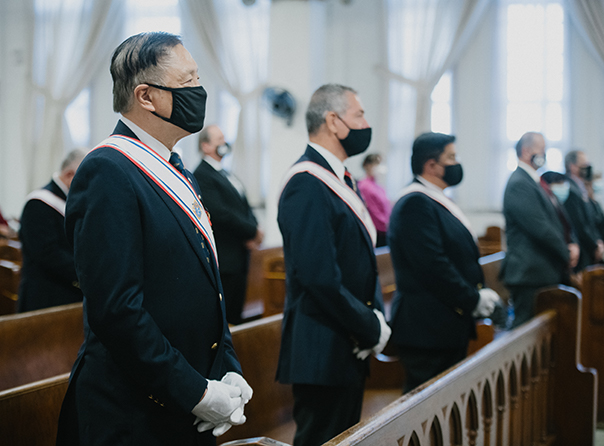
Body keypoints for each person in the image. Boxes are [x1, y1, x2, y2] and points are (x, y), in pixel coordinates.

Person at [56, 32, 251, 446]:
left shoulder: (178, 169)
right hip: (133, 413)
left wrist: (226, 367)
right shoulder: (107, 171)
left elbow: (207, 284)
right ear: (146, 96)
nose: (199, 92)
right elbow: (117, 311)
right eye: (188, 82)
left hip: (184, 400)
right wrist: (196, 392)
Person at [277, 84, 391, 446]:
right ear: (334, 121)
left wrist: (369, 321)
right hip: (322, 346)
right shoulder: (307, 184)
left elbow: (358, 260)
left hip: (345, 341)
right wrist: (369, 326)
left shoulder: (339, 178)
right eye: (359, 115)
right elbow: (318, 277)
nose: (365, 123)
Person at [388, 132, 500, 393]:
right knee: (423, 411)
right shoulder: (414, 203)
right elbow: (432, 266)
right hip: (426, 329)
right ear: (431, 165)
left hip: (444, 325)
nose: (456, 162)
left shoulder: (433, 200)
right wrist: (472, 299)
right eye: (451, 157)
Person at [501, 132, 575, 328]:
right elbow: (540, 228)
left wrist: (571, 243)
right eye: (542, 149)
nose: (545, 153)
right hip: (529, 273)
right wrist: (566, 253)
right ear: (526, 151)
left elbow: (558, 218)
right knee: (522, 333)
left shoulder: (535, 180)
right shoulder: (519, 183)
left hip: (541, 271)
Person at [193, 124, 263, 325]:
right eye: (219, 140)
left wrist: (253, 230)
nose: (225, 144)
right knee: (226, 318)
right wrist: (252, 231)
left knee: (236, 314)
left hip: (240, 254)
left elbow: (243, 206)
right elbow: (221, 214)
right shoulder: (202, 175)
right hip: (226, 257)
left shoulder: (226, 173)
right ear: (206, 146)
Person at [17, 149, 85, 312]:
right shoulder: (38, 203)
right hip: (45, 296)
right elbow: (47, 253)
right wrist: (85, 274)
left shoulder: (70, 201)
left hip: (66, 292)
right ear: (69, 175)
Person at [564, 150, 604, 270]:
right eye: (584, 163)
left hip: (591, 249)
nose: (587, 166)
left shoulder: (581, 189)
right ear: (573, 166)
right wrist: (595, 246)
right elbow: (579, 224)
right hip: (582, 252)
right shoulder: (570, 190)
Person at [539, 171, 579, 284]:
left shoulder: (559, 202)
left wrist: (574, 245)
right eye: (558, 184)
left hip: (565, 260)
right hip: (554, 260)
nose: (562, 188)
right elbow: (547, 232)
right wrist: (567, 253)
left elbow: (569, 227)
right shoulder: (546, 202)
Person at [357, 153, 391, 247]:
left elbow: (386, 207)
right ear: (368, 166)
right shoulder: (364, 186)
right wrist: (386, 225)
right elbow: (373, 212)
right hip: (377, 230)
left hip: (385, 229)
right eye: (376, 163)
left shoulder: (379, 186)